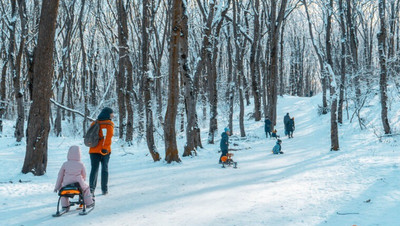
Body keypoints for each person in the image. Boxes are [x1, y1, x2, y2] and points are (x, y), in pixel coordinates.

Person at [54, 146, 94, 211]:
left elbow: (60, 176)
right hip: (78, 184)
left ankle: (65, 206)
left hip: (66, 184)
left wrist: (57, 187)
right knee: (86, 189)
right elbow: (84, 175)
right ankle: (89, 203)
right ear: (79, 154)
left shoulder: (65, 164)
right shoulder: (81, 164)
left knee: (63, 191)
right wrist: (83, 180)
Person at [89, 107, 114, 196]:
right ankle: (104, 189)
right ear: (108, 114)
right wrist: (105, 148)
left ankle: (91, 189)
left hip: (93, 150)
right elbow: (108, 137)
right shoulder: (109, 124)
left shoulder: (94, 123)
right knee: (104, 169)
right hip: (105, 151)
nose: (113, 116)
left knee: (94, 170)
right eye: (112, 114)